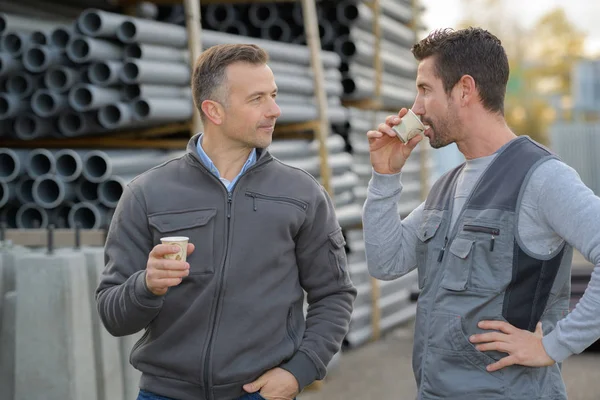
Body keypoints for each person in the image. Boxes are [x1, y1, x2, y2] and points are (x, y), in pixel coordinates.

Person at [96, 43, 356, 400]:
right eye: (257, 99)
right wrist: (147, 286)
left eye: (274, 95)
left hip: (259, 394)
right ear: (213, 110)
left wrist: (299, 372)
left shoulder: (303, 194)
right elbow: (113, 315)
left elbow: (334, 294)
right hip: (164, 395)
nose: (275, 110)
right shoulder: (146, 193)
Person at [362, 27, 600, 399]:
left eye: (425, 89)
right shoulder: (446, 187)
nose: (416, 107)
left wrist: (554, 346)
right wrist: (384, 177)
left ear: (465, 89)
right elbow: (385, 262)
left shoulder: (542, 178)